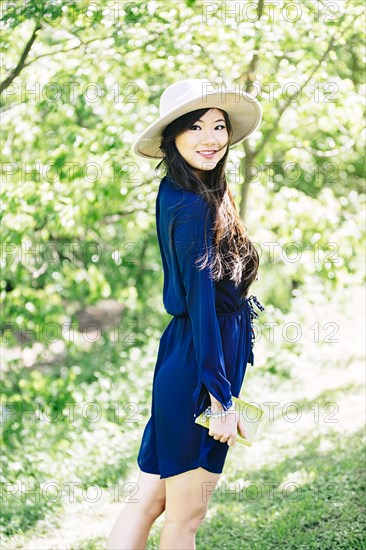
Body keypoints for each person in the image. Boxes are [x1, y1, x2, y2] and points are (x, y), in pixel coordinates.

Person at [106, 78, 265, 550]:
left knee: (149, 501)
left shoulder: (183, 191)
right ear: (173, 135)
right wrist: (220, 401)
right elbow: (200, 306)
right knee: (185, 518)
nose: (211, 138)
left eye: (219, 126)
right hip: (199, 366)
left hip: (186, 358)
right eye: (195, 126)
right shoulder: (193, 203)